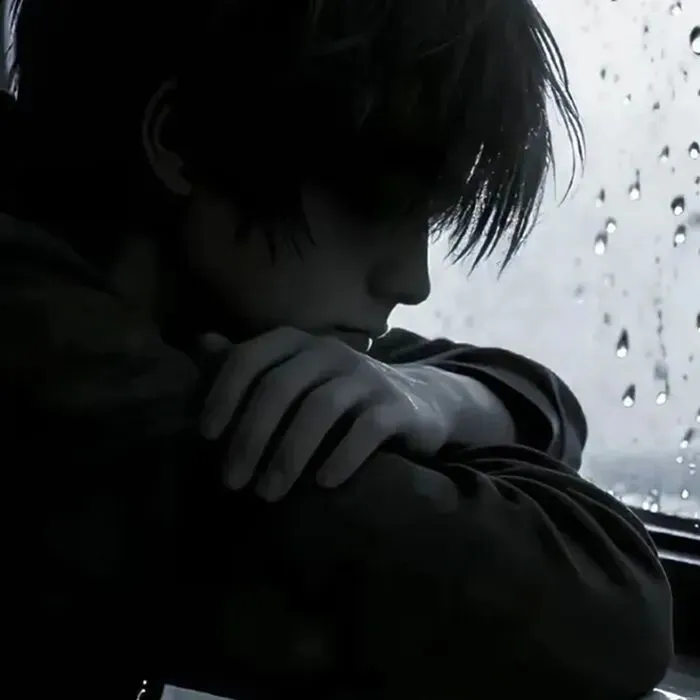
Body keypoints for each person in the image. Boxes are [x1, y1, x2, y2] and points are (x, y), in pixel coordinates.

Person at [0, 1, 673, 699]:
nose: (412, 280)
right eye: (378, 201)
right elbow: (606, 612)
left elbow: (538, 398)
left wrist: (436, 397)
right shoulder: (49, 373)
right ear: (182, 140)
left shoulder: (154, 302)